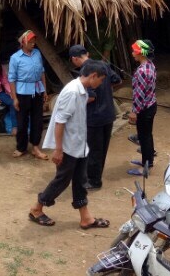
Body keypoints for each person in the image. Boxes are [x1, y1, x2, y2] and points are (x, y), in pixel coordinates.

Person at [28, 60, 111, 229]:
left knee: (80, 179)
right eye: (101, 79)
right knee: (62, 180)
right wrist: (58, 150)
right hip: (68, 146)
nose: (101, 83)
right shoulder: (72, 92)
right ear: (93, 76)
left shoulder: (82, 91)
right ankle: (37, 208)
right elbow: (60, 122)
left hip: (79, 144)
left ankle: (86, 218)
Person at [68, 45, 122, 191]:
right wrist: (106, 91)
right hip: (108, 114)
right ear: (88, 54)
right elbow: (117, 80)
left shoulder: (86, 72)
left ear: (74, 58)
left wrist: (74, 103)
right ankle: (95, 177)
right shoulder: (102, 64)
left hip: (94, 116)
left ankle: (93, 180)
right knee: (102, 149)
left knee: (94, 150)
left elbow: (91, 97)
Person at [8, 31, 49, 160]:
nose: (33, 44)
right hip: (22, 93)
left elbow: (42, 72)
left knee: (37, 120)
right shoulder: (15, 58)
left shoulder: (37, 54)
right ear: (23, 43)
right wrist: (14, 98)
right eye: (30, 42)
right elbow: (11, 79)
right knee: (22, 122)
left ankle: (35, 147)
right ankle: (21, 147)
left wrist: (45, 91)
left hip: (37, 91)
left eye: (34, 41)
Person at [128, 40, 157, 176]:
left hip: (144, 108)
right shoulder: (150, 65)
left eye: (134, 50)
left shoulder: (142, 71)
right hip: (151, 104)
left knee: (143, 137)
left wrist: (134, 112)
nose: (132, 53)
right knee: (147, 135)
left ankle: (145, 167)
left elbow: (139, 94)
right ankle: (148, 162)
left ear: (140, 52)